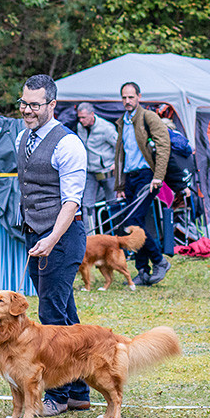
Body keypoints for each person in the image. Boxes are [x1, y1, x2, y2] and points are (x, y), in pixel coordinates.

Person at [15, 74, 91, 416]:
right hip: (37, 236)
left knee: (50, 316)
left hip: (62, 238)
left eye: (35, 104)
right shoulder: (22, 137)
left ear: (52, 105)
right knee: (66, 315)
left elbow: (71, 201)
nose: (27, 110)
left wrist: (51, 239)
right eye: (24, 103)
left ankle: (57, 397)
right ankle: (79, 392)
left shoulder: (68, 144)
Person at [114, 82, 172, 286]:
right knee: (135, 224)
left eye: (130, 97)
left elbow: (164, 145)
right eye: (124, 98)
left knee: (133, 223)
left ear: (139, 97)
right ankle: (143, 271)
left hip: (147, 176)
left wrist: (158, 176)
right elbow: (120, 155)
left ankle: (159, 261)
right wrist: (120, 186)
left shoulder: (148, 117)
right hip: (130, 178)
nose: (127, 101)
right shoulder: (123, 121)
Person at [75, 102, 118, 230]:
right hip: (89, 171)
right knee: (87, 204)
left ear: (92, 115)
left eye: (84, 117)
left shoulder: (106, 128)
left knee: (112, 202)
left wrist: (116, 164)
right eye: (79, 118)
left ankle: (114, 232)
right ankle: (90, 235)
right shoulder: (80, 127)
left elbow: (119, 147)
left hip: (107, 170)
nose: (81, 121)